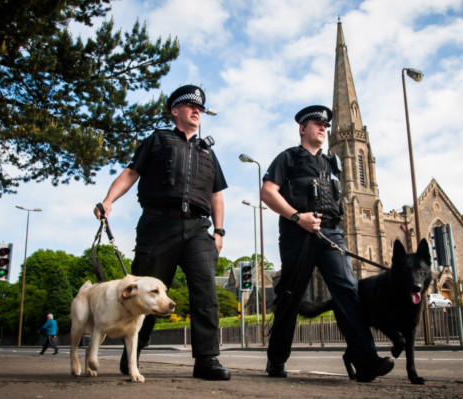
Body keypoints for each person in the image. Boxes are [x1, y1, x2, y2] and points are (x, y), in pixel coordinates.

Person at [93, 84, 230, 381]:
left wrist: (218, 231)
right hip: (158, 226)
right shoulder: (157, 140)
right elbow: (131, 173)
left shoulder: (208, 151)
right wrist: (108, 201)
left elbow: (217, 194)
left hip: (198, 228)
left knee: (205, 291)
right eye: (190, 106)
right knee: (144, 295)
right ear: (175, 111)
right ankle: (133, 355)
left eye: (200, 108)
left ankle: (207, 359)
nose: (197, 111)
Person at [260, 105, 395, 382]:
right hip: (298, 234)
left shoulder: (332, 162)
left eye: (325, 125)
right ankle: (276, 360)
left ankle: (366, 361)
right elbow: (268, 193)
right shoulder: (287, 158)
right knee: (289, 296)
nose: (323, 128)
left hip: (331, 235)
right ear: (302, 128)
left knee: (348, 292)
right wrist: (297, 217)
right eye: (317, 123)